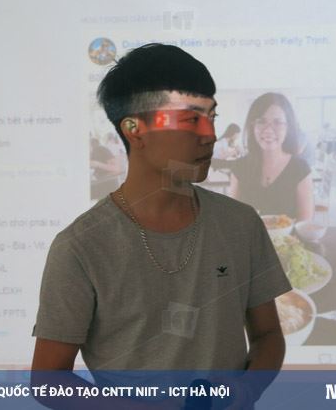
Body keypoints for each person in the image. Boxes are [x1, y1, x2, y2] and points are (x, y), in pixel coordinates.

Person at [31, 44, 291, 408]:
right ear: (135, 130)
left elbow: (268, 336)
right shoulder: (81, 246)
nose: (210, 135)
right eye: (190, 120)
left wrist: (246, 390)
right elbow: (48, 380)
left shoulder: (241, 223)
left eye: (211, 117)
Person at [213, 93, 314, 221]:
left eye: (277, 122)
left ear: (288, 127)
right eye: (261, 121)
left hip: (291, 235)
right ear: (252, 126)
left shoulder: (300, 169)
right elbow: (234, 217)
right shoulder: (240, 167)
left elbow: (304, 223)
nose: (269, 130)